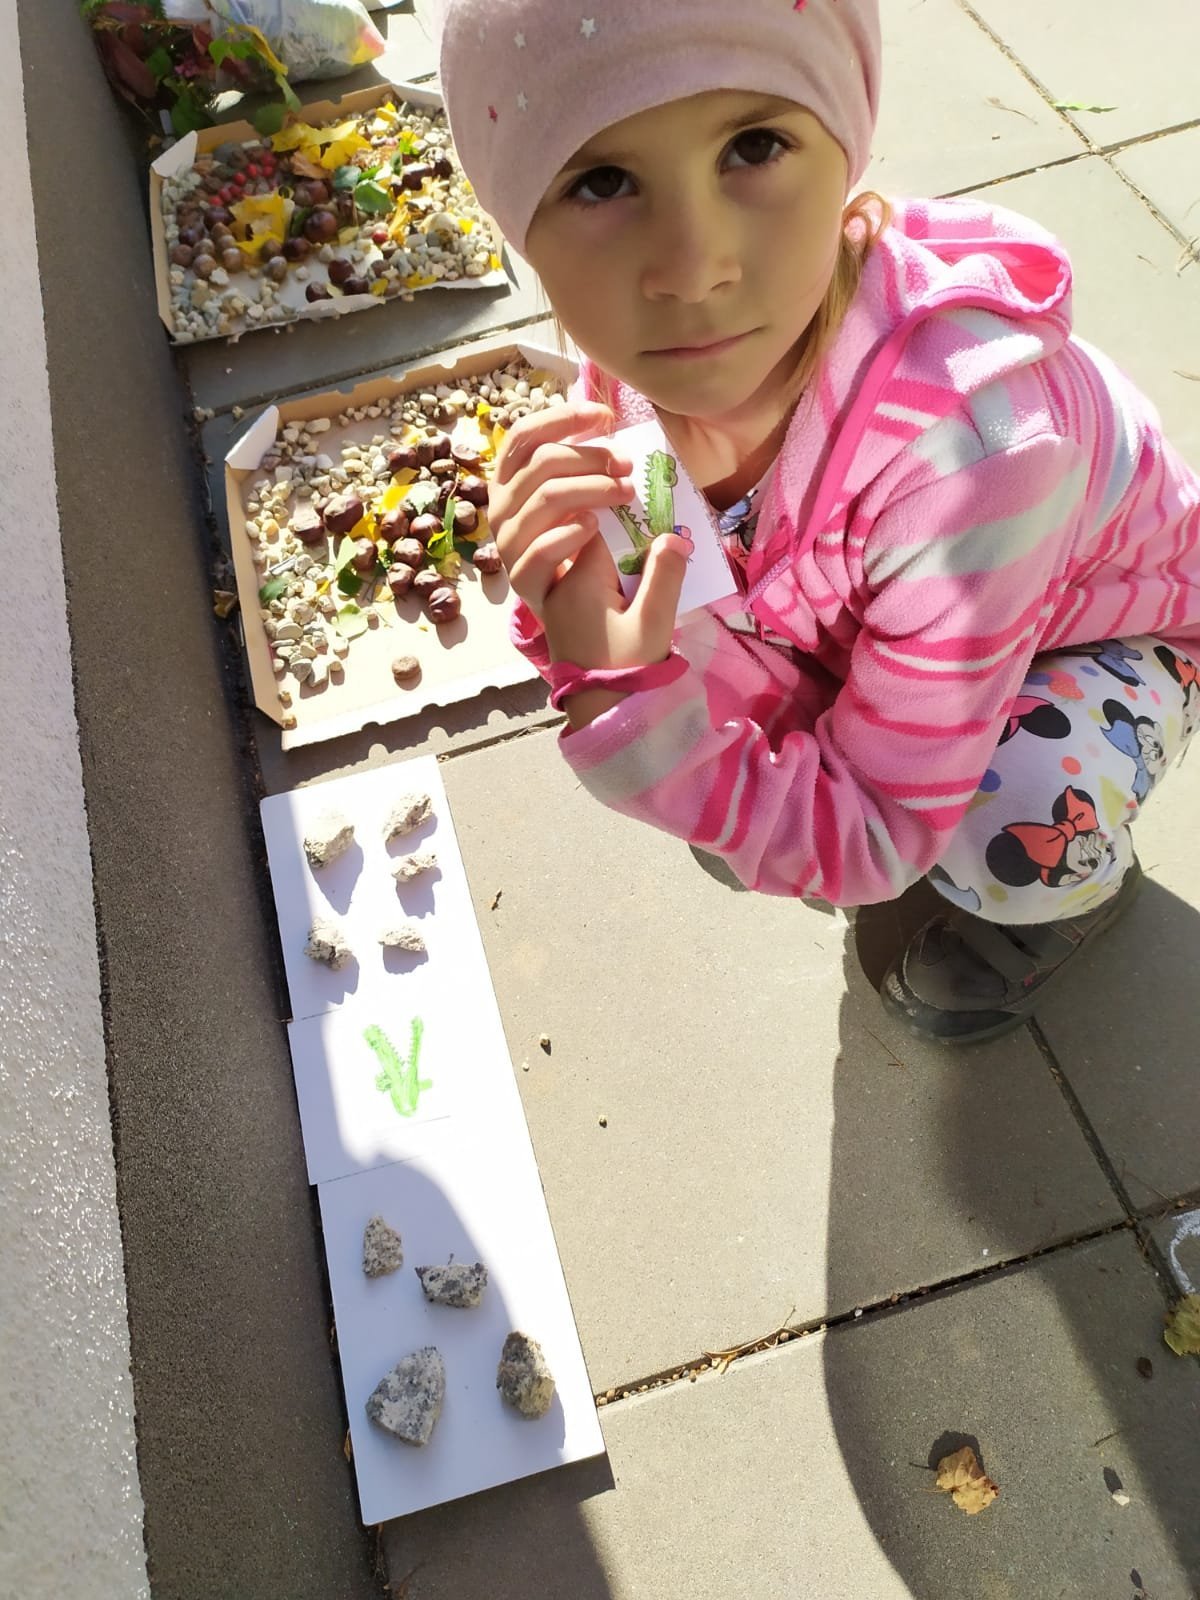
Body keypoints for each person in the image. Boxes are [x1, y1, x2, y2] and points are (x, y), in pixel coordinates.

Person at [436, 0, 1200, 1044]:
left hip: (1107, 629)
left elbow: (881, 830)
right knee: (716, 710)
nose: (693, 268)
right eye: (602, 181)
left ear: (848, 147)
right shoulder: (636, 389)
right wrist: (583, 605)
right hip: (918, 603)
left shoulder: (975, 459)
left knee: (1013, 823)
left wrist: (637, 723)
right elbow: (663, 595)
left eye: (753, 146)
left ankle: (1073, 892)